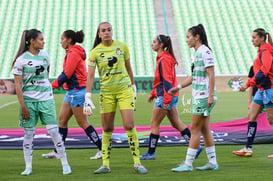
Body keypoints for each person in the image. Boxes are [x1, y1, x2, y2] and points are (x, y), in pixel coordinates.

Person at [83, 22, 148, 174]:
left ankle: (137, 163)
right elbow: (91, 75)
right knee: (107, 128)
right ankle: (105, 165)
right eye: (103, 31)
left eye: (109, 30)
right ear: (99, 34)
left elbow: (128, 67)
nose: (106, 33)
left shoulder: (122, 47)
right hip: (106, 93)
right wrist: (87, 96)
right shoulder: (95, 52)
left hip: (124, 90)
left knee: (129, 125)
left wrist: (133, 86)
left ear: (112, 31)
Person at [12, 29, 71, 175]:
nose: (44, 42)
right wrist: (23, 106)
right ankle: (28, 167)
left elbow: (46, 76)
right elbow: (18, 86)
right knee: (28, 134)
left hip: (46, 99)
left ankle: (65, 164)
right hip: (29, 101)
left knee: (54, 132)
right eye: (41, 39)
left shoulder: (45, 56)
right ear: (32, 41)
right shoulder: (21, 60)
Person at [41, 30, 102, 160]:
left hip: (77, 91)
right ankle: (57, 151)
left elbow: (67, 74)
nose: (60, 41)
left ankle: (102, 149)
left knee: (83, 122)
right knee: (62, 121)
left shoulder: (73, 53)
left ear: (69, 40)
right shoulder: (71, 52)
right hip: (71, 92)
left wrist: (51, 86)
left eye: (62, 39)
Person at [139, 34, 202, 160]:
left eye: (154, 42)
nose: (152, 44)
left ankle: (151, 153)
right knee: (176, 123)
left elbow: (167, 82)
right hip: (170, 96)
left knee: (154, 124)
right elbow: (161, 81)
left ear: (161, 45)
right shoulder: (165, 58)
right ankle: (196, 146)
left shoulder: (164, 60)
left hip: (166, 96)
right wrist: (153, 94)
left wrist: (165, 100)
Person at [168, 24, 218, 172]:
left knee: (195, 128)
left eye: (188, 37)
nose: (186, 40)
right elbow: (193, 77)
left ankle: (188, 164)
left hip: (203, 96)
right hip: (199, 96)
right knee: (204, 129)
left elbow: (212, 74)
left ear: (197, 37)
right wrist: (178, 87)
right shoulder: (196, 53)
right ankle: (212, 162)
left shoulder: (205, 52)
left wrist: (210, 96)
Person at [233, 28, 273, 157]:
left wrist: (247, 84)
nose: (252, 40)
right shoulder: (261, 51)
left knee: (272, 120)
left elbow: (264, 71)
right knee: (251, 116)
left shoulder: (266, 51)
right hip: (262, 90)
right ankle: (248, 148)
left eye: (254, 37)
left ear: (262, 38)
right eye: (252, 37)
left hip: (269, 89)